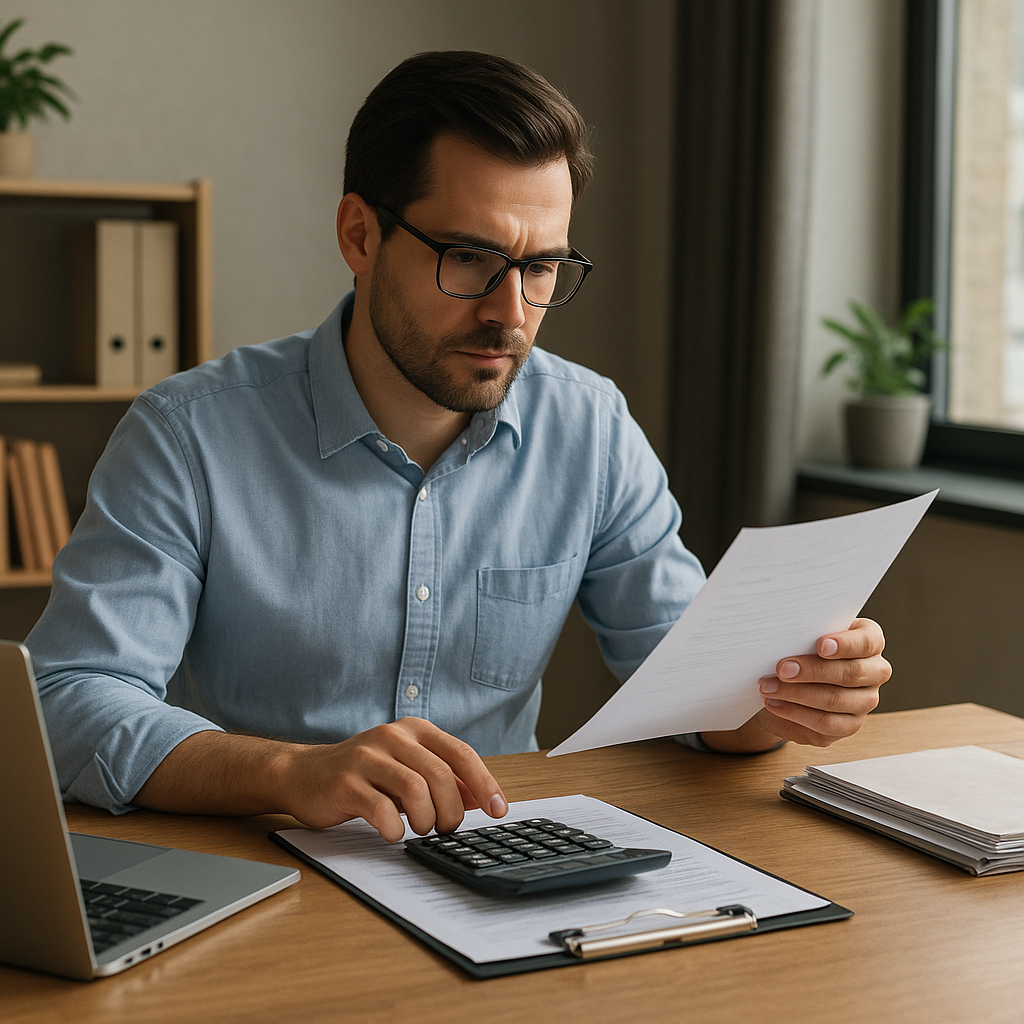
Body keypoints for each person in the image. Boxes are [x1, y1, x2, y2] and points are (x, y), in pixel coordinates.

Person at [28, 51, 891, 845]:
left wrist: (784, 699)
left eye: (542, 267)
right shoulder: (188, 434)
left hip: (505, 866)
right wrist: (294, 771)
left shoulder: (589, 427)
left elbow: (697, 691)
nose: (511, 313)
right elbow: (68, 701)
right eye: (471, 258)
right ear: (360, 235)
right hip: (268, 866)